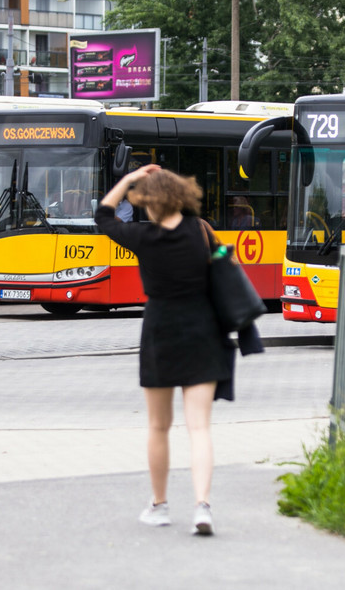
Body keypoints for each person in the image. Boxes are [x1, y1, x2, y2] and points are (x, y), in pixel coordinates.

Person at [95, 164, 232, 536]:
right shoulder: (201, 231)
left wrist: (128, 179)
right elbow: (227, 264)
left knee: (158, 426)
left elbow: (103, 214)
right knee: (199, 427)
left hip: (160, 333)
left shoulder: (142, 235)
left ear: (147, 201)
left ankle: (159, 506)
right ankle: (202, 506)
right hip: (203, 330)